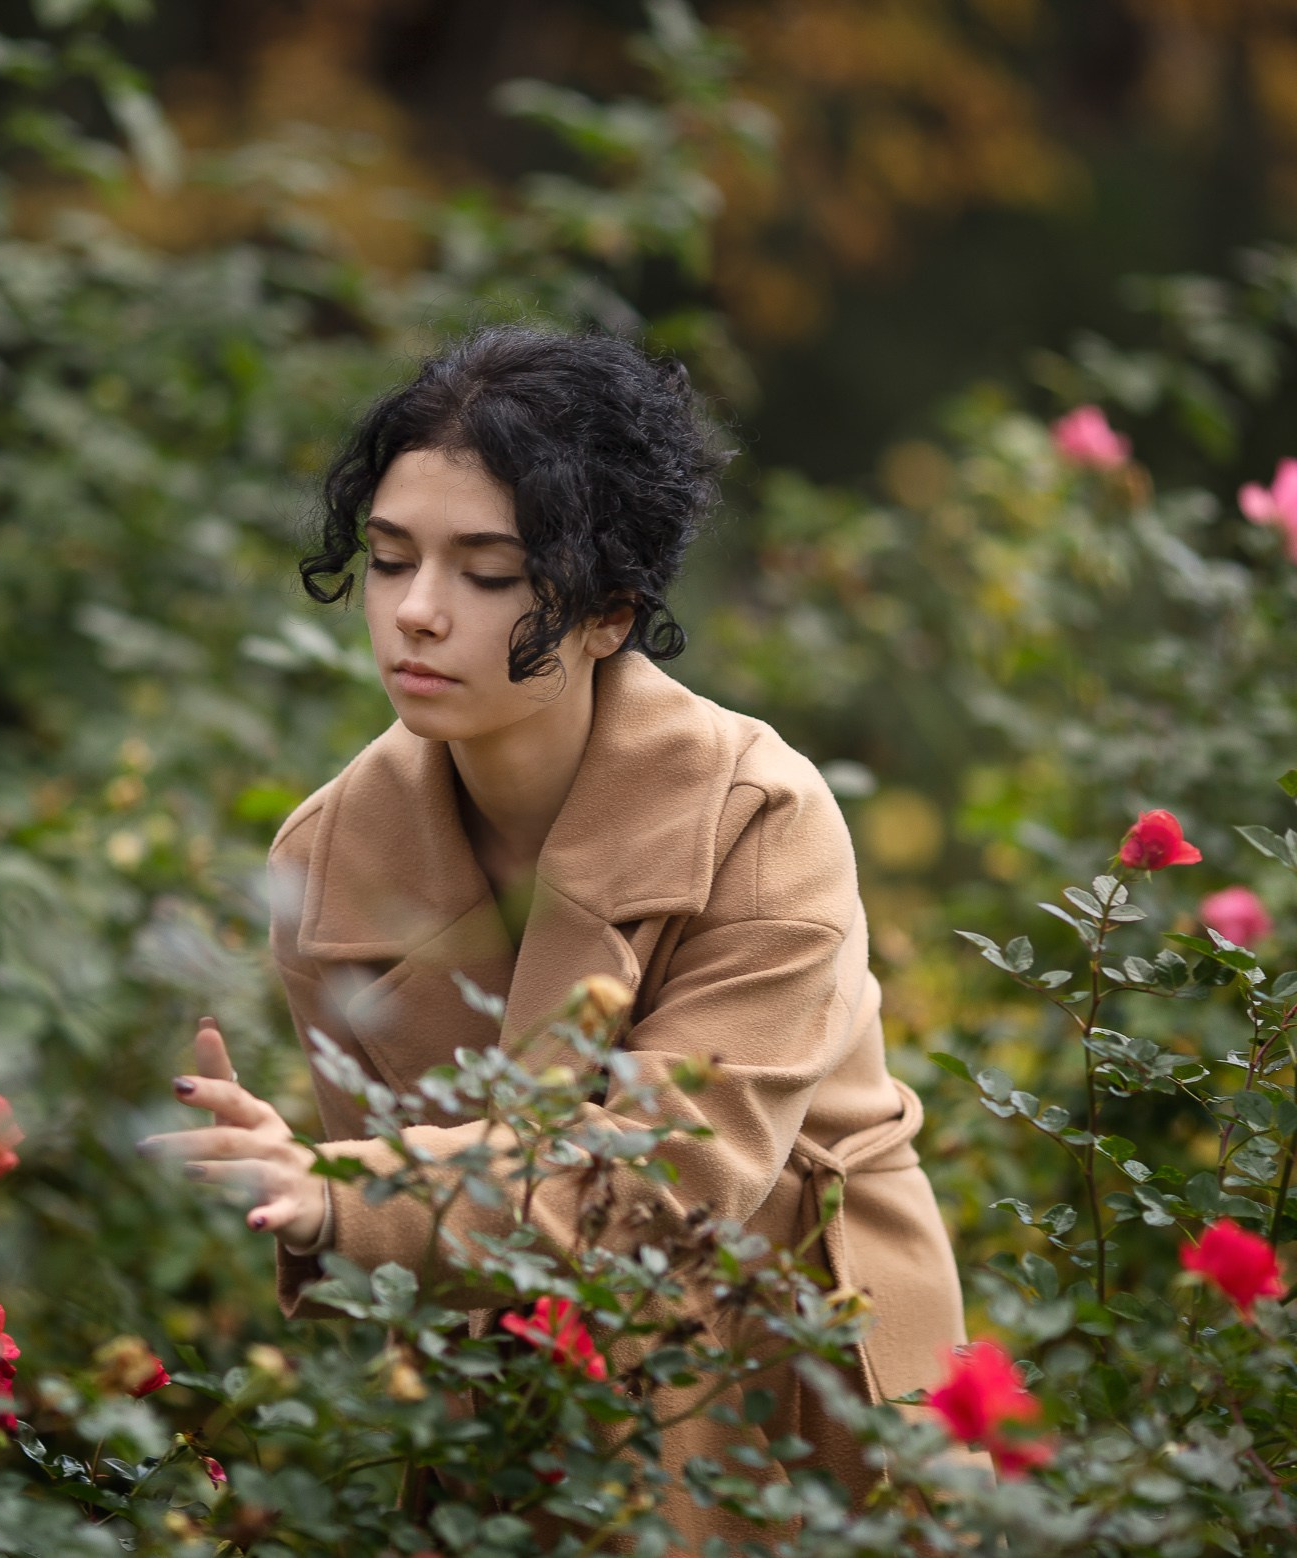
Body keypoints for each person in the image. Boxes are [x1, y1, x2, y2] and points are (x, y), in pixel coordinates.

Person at [136, 325, 971, 1537]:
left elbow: (669, 1183)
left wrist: (339, 1192)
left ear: (606, 612)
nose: (415, 612)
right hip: (532, 1394)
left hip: (791, 1361)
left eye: (485, 573)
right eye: (386, 559)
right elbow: (410, 1256)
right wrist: (291, 1190)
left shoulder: (758, 814)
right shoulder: (328, 860)